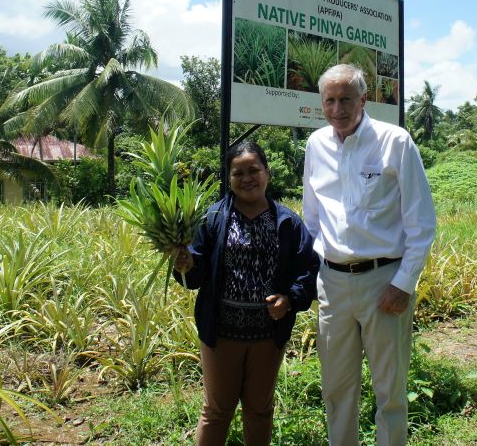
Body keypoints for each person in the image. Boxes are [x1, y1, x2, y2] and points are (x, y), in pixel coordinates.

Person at [303, 64, 436, 446]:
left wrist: (404, 283)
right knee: (336, 388)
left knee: (390, 390)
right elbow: (312, 217)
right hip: (333, 283)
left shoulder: (395, 142)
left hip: (384, 282)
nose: (338, 108)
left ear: (364, 99)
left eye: (346, 99)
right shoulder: (316, 145)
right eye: (330, 100)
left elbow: (421, 222)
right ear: (322, 103)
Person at [173, 141, 320, 446]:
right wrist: (186, 264)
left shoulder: (288, 222)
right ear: (228, 178)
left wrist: (289, 298)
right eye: (238, 172)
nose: (247, 178)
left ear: (267, 172)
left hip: (267, 334)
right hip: (221, 333)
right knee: (217, 410)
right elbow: (196, 273)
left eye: (254, 170)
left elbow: (307, 267)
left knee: (259, 410)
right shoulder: (213, 219)